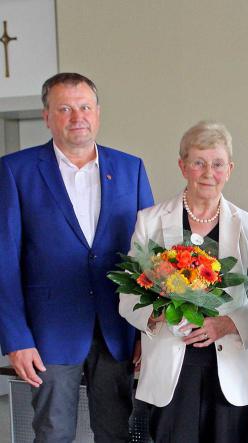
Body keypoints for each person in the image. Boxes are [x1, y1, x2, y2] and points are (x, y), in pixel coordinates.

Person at [0, 72, 153, 442]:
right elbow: (4, 260)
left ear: (98, 112)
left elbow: (149, 258)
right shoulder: (15, 171)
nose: (77, 117)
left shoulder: (130, 169)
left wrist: (146, 331)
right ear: (46, 116)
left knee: (116, 432)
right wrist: (15, 338)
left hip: (117, 328)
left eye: (84, 107)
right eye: (65, 108)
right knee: (53, 433)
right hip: (49, 331)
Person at [119, 121, 248, 442]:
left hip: (231, 366)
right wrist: (158, 314)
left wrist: (228, 324)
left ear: (230, 169)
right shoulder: (150, 222)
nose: (208, 172)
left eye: (217, 164)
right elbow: (127, 298)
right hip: (172, 367)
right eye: (198, 162)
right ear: (183, 166)